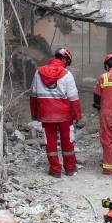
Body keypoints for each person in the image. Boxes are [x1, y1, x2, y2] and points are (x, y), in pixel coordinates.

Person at [29, 46, 82, 177]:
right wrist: (77, 115)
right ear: (65, 59)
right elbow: (73, 97)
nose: (67, 66)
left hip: (46, 114)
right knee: (68, 141)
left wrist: (35, 114)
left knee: (50, 142)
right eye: (67, 63)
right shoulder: (67, 74)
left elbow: (33, 95)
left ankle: (55, 170)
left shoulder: (39, 72)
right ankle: (70, 169)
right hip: (64, 114)